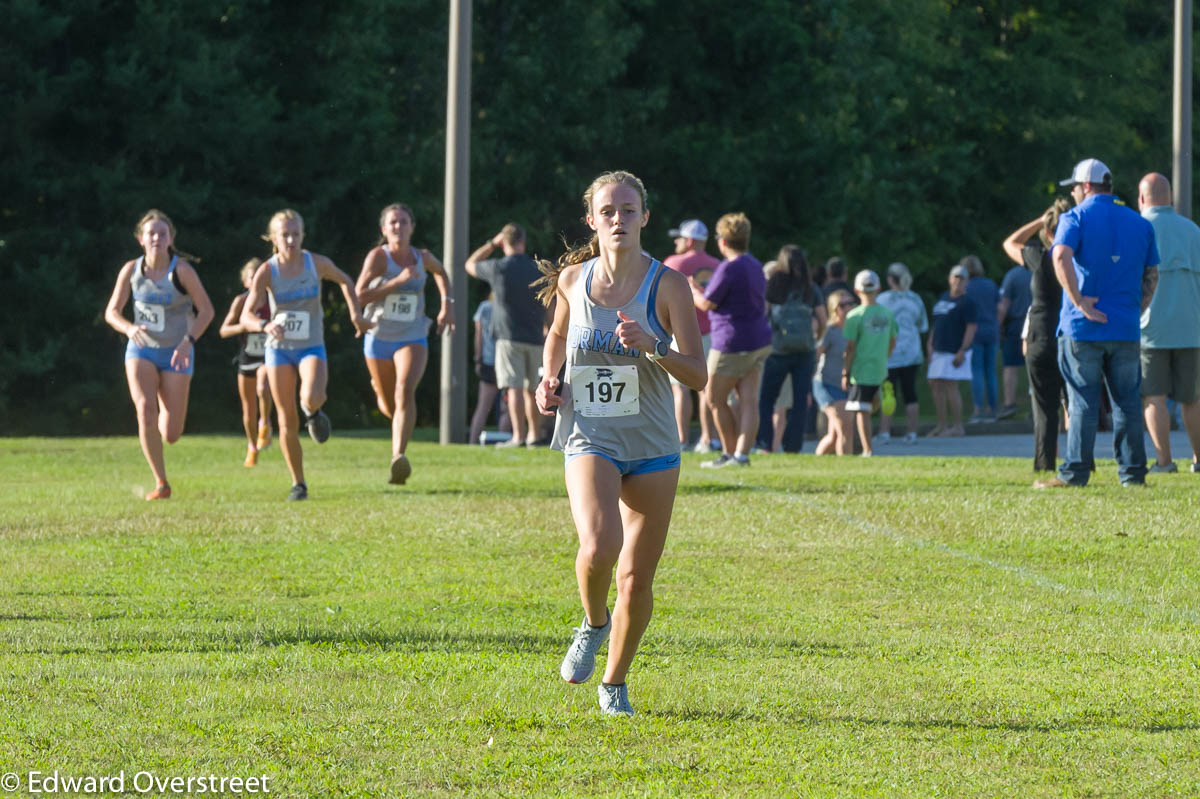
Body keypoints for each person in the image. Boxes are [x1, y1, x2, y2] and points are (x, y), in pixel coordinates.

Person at [533, 170, 706, 717]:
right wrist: (548, 377)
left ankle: (614, 683)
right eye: (607, 211)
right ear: (592, 220)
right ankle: (592, 621)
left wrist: (655, 347)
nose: (618, 220)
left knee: (635, 578)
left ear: (645, 218)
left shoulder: (670, 285)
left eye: (628, 211)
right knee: (600, 545)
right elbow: (558, 334)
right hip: (591, 434)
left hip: (654, 444)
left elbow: (699, 376)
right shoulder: (573, 281)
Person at [1035, 158, 1158, 489]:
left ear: (1086, 187)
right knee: (1128, 402)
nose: (1073, 193)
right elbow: (1152, 275)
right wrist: (1135, 308)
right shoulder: (1140, 223)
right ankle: (1133, 475)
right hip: (1125, 327)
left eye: (1074, 187)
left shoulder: (1075, 217)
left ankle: (1075, 473)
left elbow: (1059, 255)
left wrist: (1077, 300)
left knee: (1083, 402)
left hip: (1082, 328)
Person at [243, 208, 372, 501]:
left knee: (312, 395)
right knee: (287, 420)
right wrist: (265, 325)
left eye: (295, 234)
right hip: (279, 351)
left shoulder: (316, 264)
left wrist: (355, 315)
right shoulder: (267, 270)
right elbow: (247, 314)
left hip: (311, 346)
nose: (290, 240)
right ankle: (298, 484)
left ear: (303, 236)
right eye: (284, 235)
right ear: (274, 239)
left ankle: (314, 411)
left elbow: (345, 281)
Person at [104, 210, 215, 500]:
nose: (156, 238)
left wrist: (188, 341)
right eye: (151, 233)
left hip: (177, 353)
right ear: (141, 239)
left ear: (171, 239)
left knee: (172, 433)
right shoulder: (131, 270)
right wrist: (128, 329)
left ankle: (167, 413)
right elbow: (112, 312)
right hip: (141, 349)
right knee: (144, 410)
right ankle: (161, 482)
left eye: (162, 233)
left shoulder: (182, 272)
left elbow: (207, 310)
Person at [357, 203, 452, 484]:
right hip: (378, 337)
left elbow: (442, 273)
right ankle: (382, 396)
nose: (398, 227)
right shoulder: (378, 257)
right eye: (393, 223)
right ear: (384, 229)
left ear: (412, 226)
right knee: (388, 404)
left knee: (405, 389)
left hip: (412, 335)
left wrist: (448, 304)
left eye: (403, 222)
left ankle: (398, 456)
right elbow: (358, 295)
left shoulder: (422, 257)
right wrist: (396, 282)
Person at [690, 212, 772, 467]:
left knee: (713, 398)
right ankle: (741, 455)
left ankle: (728, 453)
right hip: (759, 339)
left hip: (731, 342)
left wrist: (691, 289)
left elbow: (706, 303)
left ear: (723, 241)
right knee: (748, 399)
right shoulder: (755, 265)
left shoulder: (728, 267)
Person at [1138, 172, 1200, 473]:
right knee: (1192, 399)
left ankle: (1164, 461)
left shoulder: (1139, 229)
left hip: (1151, 330)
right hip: (1191, 329)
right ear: (1171, 197)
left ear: (1141, 199)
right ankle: (1199, 460)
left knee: (1154, 397)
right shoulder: (1193, 231)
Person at [1002, 199, 1070, 471]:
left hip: (1041, 336)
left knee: (1044, 406)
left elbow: (1010, 242)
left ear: (1049, 231)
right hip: (1072, 334)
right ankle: (1079, 460)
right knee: (1075, 403)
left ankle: (1046, 462)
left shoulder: (1041, 259)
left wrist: (1040, 221)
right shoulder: (1080, 258)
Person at [466, 223, 546, 447]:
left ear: (504, 243)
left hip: (509, 338)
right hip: (536, 337)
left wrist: (492, 243)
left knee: (515, 388)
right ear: (524, 241)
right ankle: (534, 435)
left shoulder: (499, 267)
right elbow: (551, 301)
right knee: (533, 389)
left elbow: (470, 265)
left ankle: (518, 436)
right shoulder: (536, 268)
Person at [756, 245, 825, 453]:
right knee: (800, 401)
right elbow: (822, 320)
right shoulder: (810, 289)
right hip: (804, 351)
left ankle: (765, 443)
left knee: (767, 399)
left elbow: (763, 317)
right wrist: (815, 339)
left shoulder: (774, 286)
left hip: (778, 351)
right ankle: (793, 446)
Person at [664, 219, 720, 452]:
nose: (676, 242)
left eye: (679, 238)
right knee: (707, 388)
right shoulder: (717, 265)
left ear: (688, 240)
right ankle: (708, 439)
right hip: (711, 333)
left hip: (680, 332)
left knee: (680, 389)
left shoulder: (673, 263)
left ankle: (681, 439)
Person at [218, 257, 274, 467]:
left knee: (263, 386)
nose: (257, 279)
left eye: (261, 275)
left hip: (269, 355)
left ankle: (265, 423)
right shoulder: (241, 302)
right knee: (248, 409)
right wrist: (245, 326)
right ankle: (252, 447)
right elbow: (224, 330)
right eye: (253, 276)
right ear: (246, 282)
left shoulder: (274, 299)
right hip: (247, 356)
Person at [841, 270, 897, 457]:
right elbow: (893, 341)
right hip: (881, 367)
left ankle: (867, 449)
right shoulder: (888, 314)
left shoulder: (854, 316)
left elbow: (850, 347)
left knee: (861, 410)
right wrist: (884, 356)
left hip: (861, 369)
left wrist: (845, 371)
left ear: (857, 290)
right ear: (879, 288)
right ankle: (880, 436)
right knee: (880, 405)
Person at [876, 262, 928, 444]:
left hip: (889, 354)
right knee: (910, 393)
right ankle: (912, 432)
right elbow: (922, 326)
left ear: (890, 280)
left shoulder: (882, 300)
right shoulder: (916, 299)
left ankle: (884, 432)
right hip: (912, 353)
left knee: (888, 393)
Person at [926, 264, 978, 437]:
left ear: (966, 282)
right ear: (949, 279)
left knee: (950, 385)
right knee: (935, 383)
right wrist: (930, 344)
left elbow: (971, 328)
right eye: (955, 277)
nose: (957, 281)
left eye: (961, 278)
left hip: (954, 350)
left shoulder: (968, 302)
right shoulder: (943, 298)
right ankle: (941, 424)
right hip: (938, 349)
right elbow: (937, 324)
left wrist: (963, 350)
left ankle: (957, 426)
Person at [813, 290, 854, 455]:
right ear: (834, 309)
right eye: (843, 305)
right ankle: (847, 468)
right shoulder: (830, 330)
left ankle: (814, 465)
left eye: (851, 303)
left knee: (834, 435)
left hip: (843, 385)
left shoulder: (854, 329)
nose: (848, 308)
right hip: (825, 384)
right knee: (845, 428)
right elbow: (816, 356)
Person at [961, 254, 1000, 423]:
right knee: (990, 371)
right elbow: (999, 307)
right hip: (991, 330)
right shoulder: (990, 284)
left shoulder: (966, 287)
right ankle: (993, 409)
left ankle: (978, 409)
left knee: (976, 371)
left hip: (974, 332)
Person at [996, 254, 1033, 419]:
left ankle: (1009, 404)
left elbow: (1003, 305)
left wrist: (997, 326)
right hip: (1037, 323)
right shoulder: (1041, 271)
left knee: (1010, 367)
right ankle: (1036, 406)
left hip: (1015, 324)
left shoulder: (1013, 275)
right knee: (1034, 368)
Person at [469, 292, 500, 445]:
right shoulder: (507, 305)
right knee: (508, 406)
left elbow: (478, 335)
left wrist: (478, 359)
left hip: (488, 360)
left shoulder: (484, 307)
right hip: (506, 360)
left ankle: (472, 441)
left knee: (483, 407)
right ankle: (507, 438)